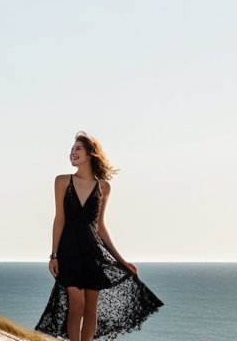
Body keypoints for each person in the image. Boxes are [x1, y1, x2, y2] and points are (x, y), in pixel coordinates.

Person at [35, 132, 163, 340]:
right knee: (77, 304)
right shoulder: (62, 181)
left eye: (78, 148)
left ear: (91, 153)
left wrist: (122, 261)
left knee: (90, 310)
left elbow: (100, 227)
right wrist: (53, 255)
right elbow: (59, 219)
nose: (72, 153)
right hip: (69, 250)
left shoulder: (104, 187)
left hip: (93, 252)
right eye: (71, 149)